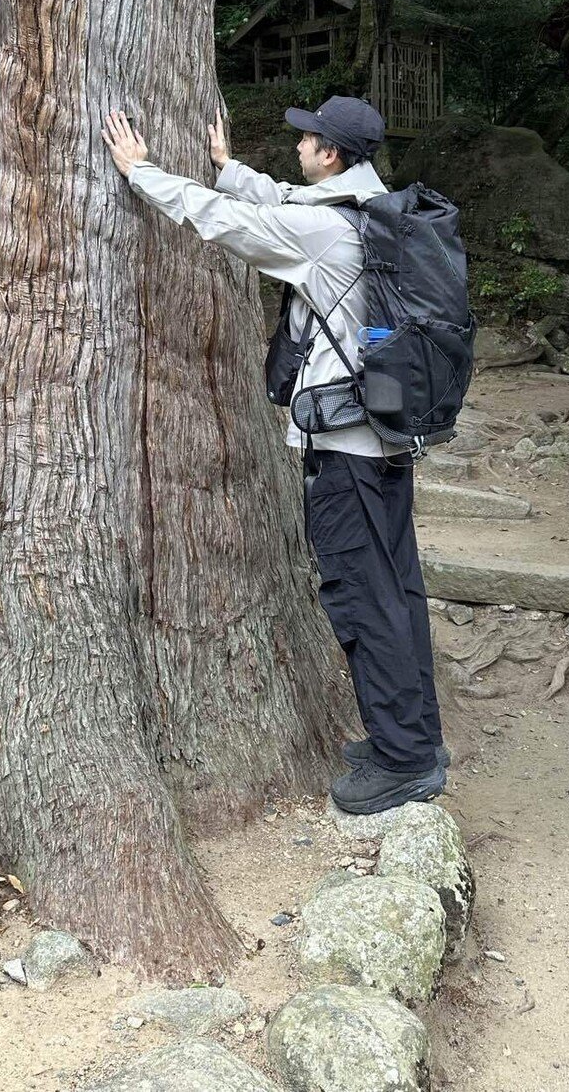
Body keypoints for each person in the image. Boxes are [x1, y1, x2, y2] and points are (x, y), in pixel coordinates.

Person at [101, 96, 447, 815]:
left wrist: (142, 174)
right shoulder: (373, 207)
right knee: (399, 591)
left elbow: (231, 225)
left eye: (308, 138)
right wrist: (230, 168)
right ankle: (418, 738)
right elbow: (282, 201)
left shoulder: (324, 230)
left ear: (331, 153)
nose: (298, 146)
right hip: (386, 437)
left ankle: (403, 760)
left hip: (344, 451)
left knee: (362, 597)